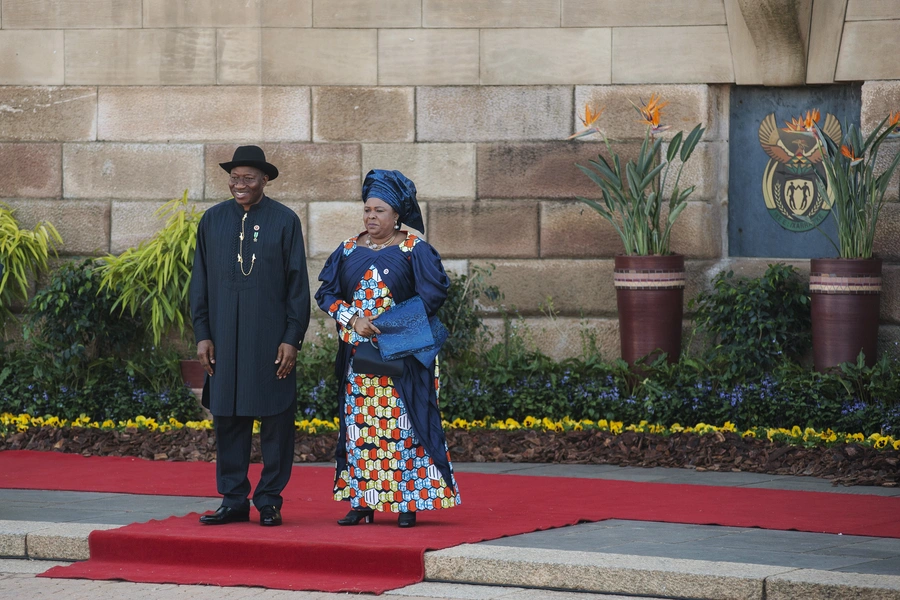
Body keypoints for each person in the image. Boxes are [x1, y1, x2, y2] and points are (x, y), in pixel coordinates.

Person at [316, 169, 460, 528]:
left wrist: (385, 324)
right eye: (367, 210)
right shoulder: (348, 249)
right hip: (359, 360)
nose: (371, 217)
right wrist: (352, 319)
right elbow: (326, 294)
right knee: (359, 428)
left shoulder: (415, 250)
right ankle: (363, 503)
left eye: (379, 210)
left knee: (404, 428)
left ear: (397, 214)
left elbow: (433, 295)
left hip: (402, 356)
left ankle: (406, 502)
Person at [190, 145, 310, 527]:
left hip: (270, 339)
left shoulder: (285, 221)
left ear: (265, 180)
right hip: (223, 338)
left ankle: (270, 500)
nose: (239, 184)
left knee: (276, 420)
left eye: (248, 178)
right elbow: (200, 282)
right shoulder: (212, 220)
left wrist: (292, 337)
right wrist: (203, 333)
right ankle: (233, 499)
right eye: (235, 178)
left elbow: (297, 286)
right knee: (227, 418)